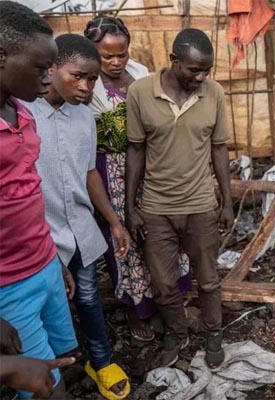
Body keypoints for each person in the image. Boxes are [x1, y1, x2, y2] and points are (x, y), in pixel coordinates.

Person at [23, 34, 131, 400]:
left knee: (87, 297)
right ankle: (51, 370)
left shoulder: (84, 117)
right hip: (41, 235)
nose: (86, 87)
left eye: (92, 80)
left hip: (80, 230)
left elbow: (90, 174)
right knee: (46, 306)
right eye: (77, 76)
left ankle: (99, 361)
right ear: (51, 69)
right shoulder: (23, 115)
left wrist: (114, 221)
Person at [125, 28, 233, 368]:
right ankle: (176, 330)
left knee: (209, 279)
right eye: (193, 70)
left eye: (206, 70)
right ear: (173, 61)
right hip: (156, 207)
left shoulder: (213, 93)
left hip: (201, 204)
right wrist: (130, 207)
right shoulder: (141, 92)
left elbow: (219, 150)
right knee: (164, 283)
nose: (201, 77)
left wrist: (226, 202)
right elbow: (135, 151)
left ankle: (212, 332)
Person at [84, 15, 193, 343]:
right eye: (107, 56)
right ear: (92, 52)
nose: (116, 62)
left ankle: (166, 298)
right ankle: (136, 309)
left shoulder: (140, 74)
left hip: (148, 165)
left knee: (161, 234)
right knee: (125, 240)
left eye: (122, 53)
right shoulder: (86, 86)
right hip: (108, 172)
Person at [0, 2, 79, 398]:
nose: (49, 79)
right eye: (40, 68)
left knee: (62, 355)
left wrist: (53, 258)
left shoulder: (22, 113)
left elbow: (25, 196)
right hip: (7, 287)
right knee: (41, 385)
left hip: (43, 264)